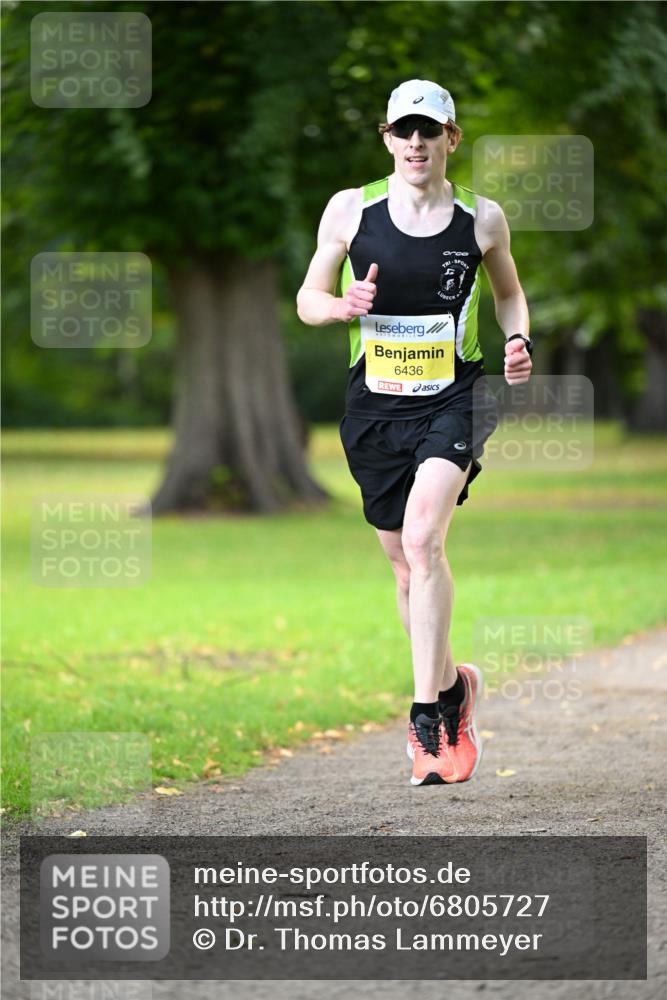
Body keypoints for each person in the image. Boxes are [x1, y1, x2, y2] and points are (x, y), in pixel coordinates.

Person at [296, 79, 532, 785]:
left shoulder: (481, 219)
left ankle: (425, 717)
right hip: (373, 409)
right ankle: (456, 691)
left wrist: (518, 341)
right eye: (403, 131)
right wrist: (341, 305)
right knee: (403, 563)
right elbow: (306, 299)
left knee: (425, 539)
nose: (416, 143)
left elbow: (510, 294)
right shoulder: (350, 209)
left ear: (451, 138)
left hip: (453, 398)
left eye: (429, 130)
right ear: (387, 139)